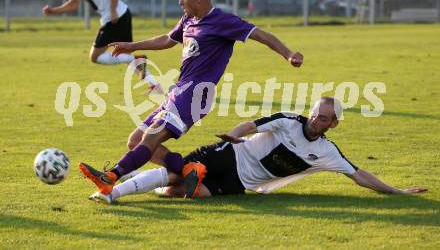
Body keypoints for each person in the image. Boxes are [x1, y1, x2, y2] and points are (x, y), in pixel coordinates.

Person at [79, 0, 304, 198]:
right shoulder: (188, 19)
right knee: (136, 141)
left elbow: (261, 35)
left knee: (150, 138)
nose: (179, 1)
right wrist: (132, 46)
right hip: (179, 92)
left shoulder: (223, 21)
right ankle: (188, 171)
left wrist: (288, 54)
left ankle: (109, 178)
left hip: (195, 95)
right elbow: (167, 39)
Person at [88, 97, 427, 204]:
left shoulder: (327, 151)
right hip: (229, 154)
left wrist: (396, 190)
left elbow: (359, 175)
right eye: (314, 114)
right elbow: (252, 125)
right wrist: (233, 136)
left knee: (180, 192)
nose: (315, 121)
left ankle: (141, 178)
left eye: (323, 119)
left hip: (239, 184)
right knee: (178, 172)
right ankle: (112, 191)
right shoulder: (288, 120)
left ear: (333, 124)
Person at [42, 0, 147, 78]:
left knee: (95, 56)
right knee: (124, 55)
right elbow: (74, 4)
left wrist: (113, 11)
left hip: (115, 17)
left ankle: (138, 61)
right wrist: (54, 11)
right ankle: (155, 85)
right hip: (121, 15)